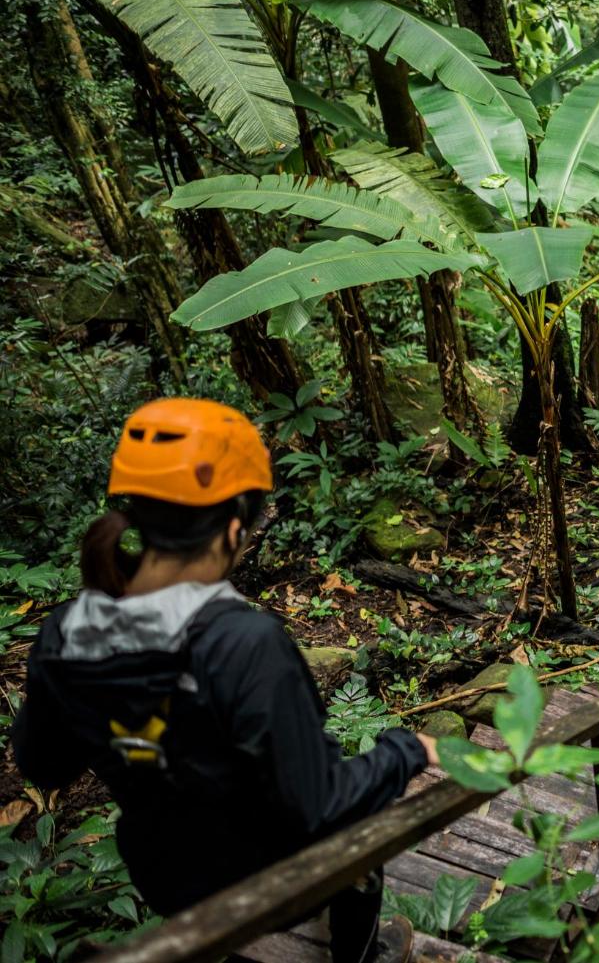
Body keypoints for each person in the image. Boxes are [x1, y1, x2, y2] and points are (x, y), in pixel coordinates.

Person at [12, 399, 436, 963]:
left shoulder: (66, 631)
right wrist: (405, 750)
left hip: (163, 874)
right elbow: (319, 806)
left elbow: (43, 764)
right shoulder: (242, 644)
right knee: (364, 825)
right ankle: (358, 956)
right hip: (266, 884)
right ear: (236, 526)